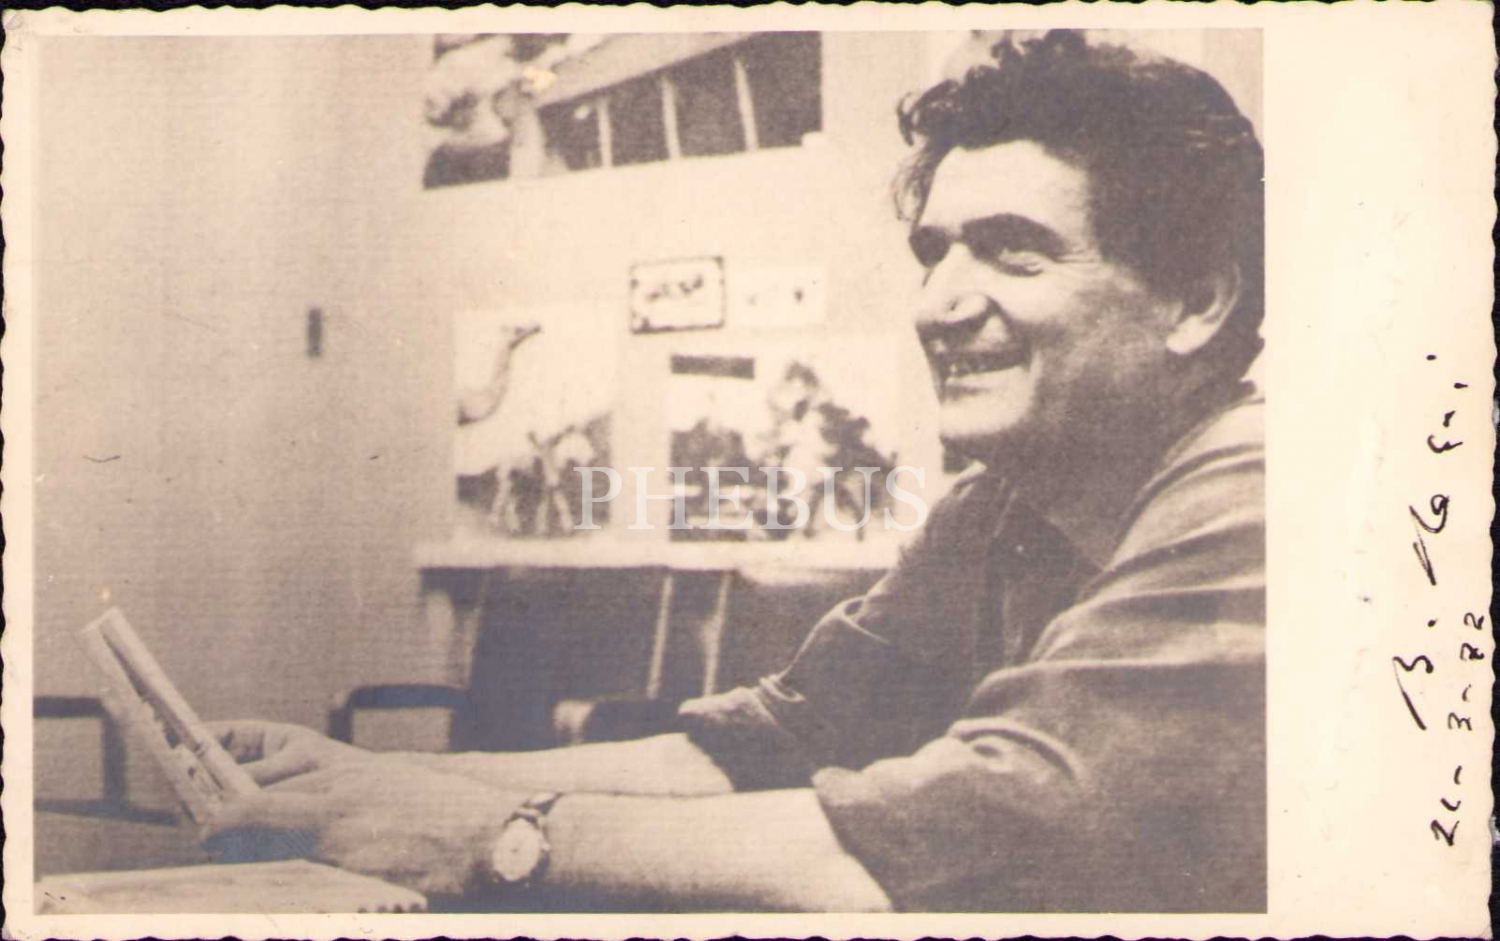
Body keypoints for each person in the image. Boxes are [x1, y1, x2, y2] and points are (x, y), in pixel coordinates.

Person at [208, 30, 1267, 913]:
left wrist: (489, 836)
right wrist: (374, 781)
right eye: (934, 253)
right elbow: (772, 745)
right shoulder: (998, 509)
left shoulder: (1255, 498)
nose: (937, 304)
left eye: (1013, 251)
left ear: (1197, 300)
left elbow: (947, 843)